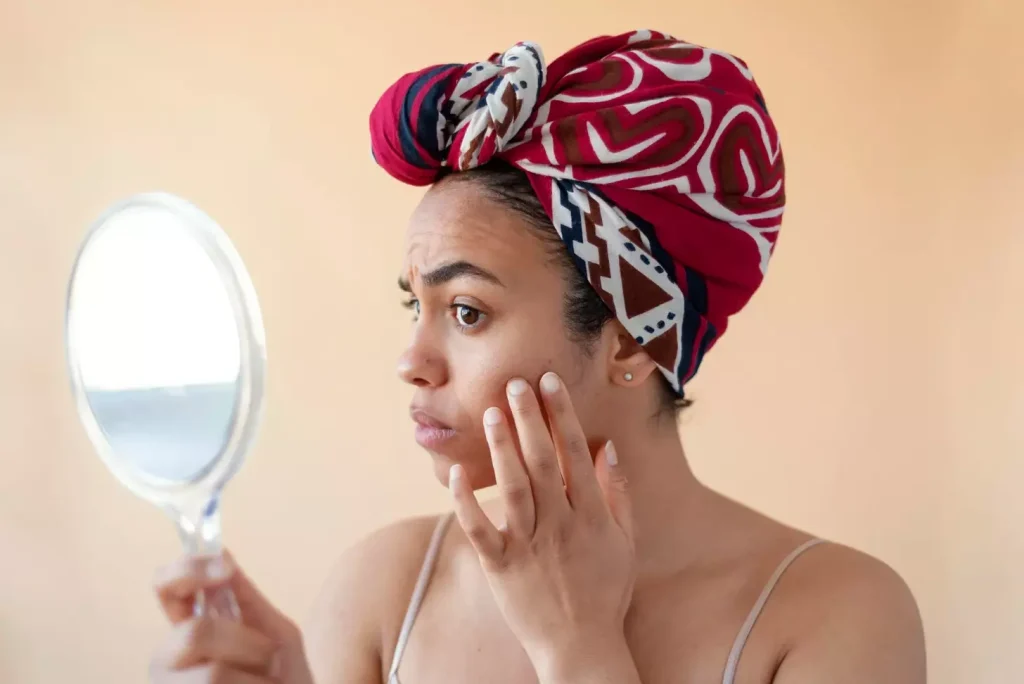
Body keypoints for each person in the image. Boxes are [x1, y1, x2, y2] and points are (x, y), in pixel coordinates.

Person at [148, 30, 926, 684]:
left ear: (630, 335)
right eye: (412, 305)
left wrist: (579, 649)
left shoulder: (834, 615)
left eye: (466, 311)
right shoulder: (383, 589)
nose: (412, 360)